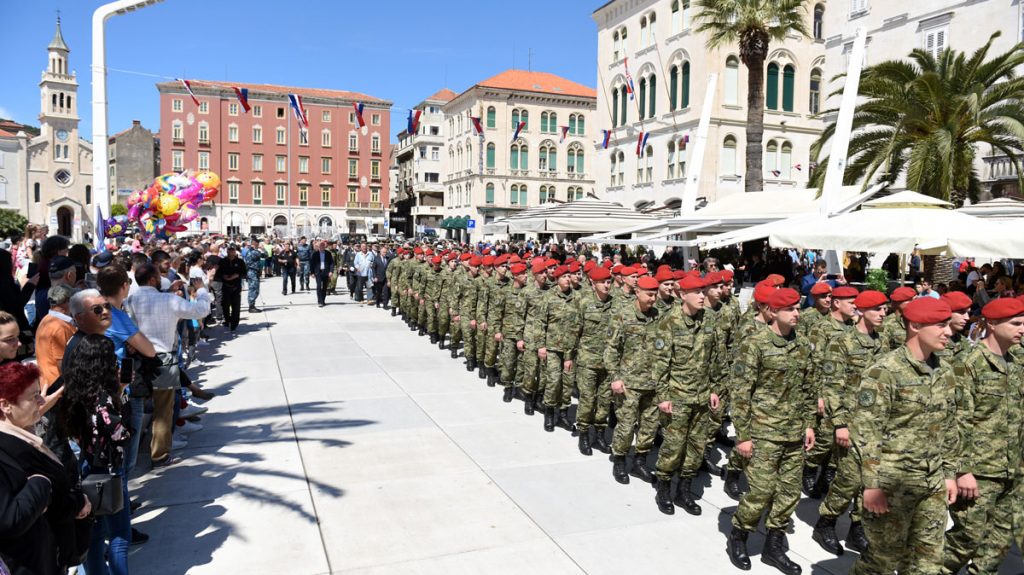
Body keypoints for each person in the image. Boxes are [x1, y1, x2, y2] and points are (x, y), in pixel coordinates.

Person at [850, 298, 959, 575]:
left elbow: (948, 426)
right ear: (916, 325)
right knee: (883, 560)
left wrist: (949, 474)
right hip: (892, 484)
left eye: (948, 325)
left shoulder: (944, 370)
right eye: (941, 326)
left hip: (931, 482)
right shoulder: (884, 371)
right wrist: (872, 485)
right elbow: (865, 431)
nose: (948, 332)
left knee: (929, 561)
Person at [727, 288, 815, 574]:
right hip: (763, 431)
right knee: (761, 492)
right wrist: (743, 436)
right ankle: (739, 534)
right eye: (790, 309)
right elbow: (740, 393)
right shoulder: (755, 343)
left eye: (798, 308)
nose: (797, 313)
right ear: (773, 312)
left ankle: (773, 547)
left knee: (789, 494)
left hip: (793, 433)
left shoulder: (802, 345)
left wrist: (809, 424)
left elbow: (808, 388)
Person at [941, 298, 1024, 574]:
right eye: (1015, 323)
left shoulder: (1017, 363)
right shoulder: (969, 364)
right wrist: (961, 470)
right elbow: (957, 421)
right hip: (979, 471)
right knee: (967, 539)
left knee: (999, 542)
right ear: (991, 324)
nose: (1022, 329)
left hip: (1012, 470)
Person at [811, 290, 889, 556]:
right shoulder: (842, 342)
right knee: (848, 479)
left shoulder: (884, 343)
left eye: (885, 309)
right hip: (851, 422)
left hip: (877, 426)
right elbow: (832, 385)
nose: (883, 314)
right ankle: (826, 521)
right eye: (877, 309)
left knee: (871, 480)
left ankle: (858, 528)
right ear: (862, 310)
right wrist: (840, 423)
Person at [0, 362, 91, 574]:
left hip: (48, 556)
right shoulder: (9, 448)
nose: (42, 400)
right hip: (30, 564)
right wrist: (41, 483)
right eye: (33, 397)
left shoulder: (23, 434)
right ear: (5, 406)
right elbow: (11, 518)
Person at [57, 334, 133, 575]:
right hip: (110, 470)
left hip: (87, 468)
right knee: (120, 536)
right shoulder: (104, 399)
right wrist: (122, 401)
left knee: (95, 535)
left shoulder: (74, 393)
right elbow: (119, 433)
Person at [124, 264, 211, 467]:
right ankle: (160, 454)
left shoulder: (131, 300)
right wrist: (201, 291)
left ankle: (134, 455)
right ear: (154, 280)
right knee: (163, 410)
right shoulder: (169, 300)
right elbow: (200, 310)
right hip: (164, 358)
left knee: (138, 409)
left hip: (139, 358)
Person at [652, 274, 718, 516]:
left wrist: (713, 389)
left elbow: (714, 358)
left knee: (696, 447)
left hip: (701, 396)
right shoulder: (668, 322)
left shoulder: (710, 319)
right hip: (677, 396)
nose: (702, 296)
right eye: (697, 292)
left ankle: (684, 491)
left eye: (703, 291)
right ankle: (664, 488)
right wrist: (663, 397)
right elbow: (660, 364)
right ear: (682, 295)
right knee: (673, 446)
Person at [604, 275, 663, 485]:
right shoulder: (623, 315)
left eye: (655, 294)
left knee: (649, 426)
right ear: (637, 292)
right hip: (628, 383)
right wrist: (615, 377)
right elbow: (611, 349)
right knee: (626, 425)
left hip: (653, 383)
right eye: (649, 294)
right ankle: (619, 460)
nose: (653, 298)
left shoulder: (659, 316)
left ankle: (640, 461)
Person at [34, 284, 77, 403]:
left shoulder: (47, 320)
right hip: (57, 387)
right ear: (66, 303)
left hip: (48, 383)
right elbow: (62, 363)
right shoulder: (59, 327)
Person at [215, 245, 246, 333]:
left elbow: (244, 273)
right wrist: (223, 276)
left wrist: (237, 275)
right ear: (227, 251)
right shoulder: (223, 261)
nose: (231, 252)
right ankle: (227, 320)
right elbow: (218, 274)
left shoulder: (240, 261)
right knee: (225, 305)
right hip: (225, 286)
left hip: (236, 286)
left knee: (236, 306)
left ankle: (234, 324)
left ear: (235, 252)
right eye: (229, 250)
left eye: (233, 251)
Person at [309, 241, 335, 308]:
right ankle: (319, 301)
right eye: (320, 246)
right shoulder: (315, 254)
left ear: (324, 246)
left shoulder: (328, 254)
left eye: (323, 246)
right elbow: (311, 264)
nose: (321, 247)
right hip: (318, 272)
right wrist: (312, 272)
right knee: (318, 286)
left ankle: (323, 300)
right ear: (318, 247)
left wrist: (331, 271)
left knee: (324, 287)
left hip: (326, 272)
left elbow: (332, 263)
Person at [243, 240, 263, 313]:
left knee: (254, 289)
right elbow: (265, 255)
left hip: (252, 272)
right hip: (252, 272)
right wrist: (262, 249)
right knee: (254, 289)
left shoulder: (249, 251)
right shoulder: (254, 252)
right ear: (256, 244)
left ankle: (252, 305)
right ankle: (251, 306)